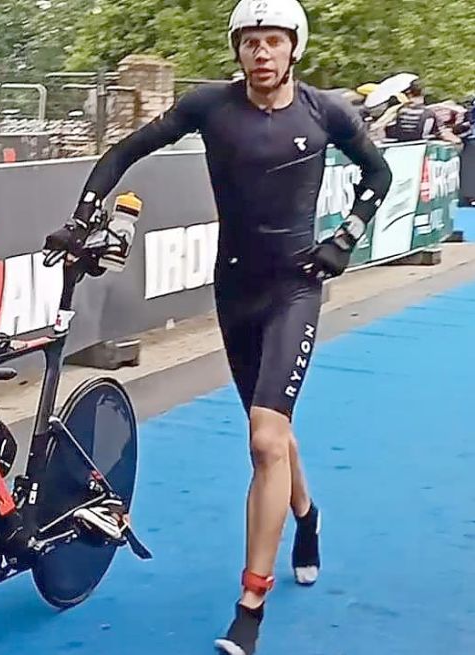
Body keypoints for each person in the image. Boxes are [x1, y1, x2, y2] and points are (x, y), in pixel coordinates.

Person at [43, 0, 392, 653]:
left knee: (264, 438)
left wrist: (342, 240)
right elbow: (126, 150)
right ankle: (307, 515)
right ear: (237, 50)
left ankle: (249, 603)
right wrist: (84, 213)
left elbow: (377, 173)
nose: (261, 53)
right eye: (250, 42)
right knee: (272, 431)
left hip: (295, 287)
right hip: (234, 289)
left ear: (293, 48)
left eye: (273, 42)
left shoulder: (324, 112)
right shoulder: (210, 107)